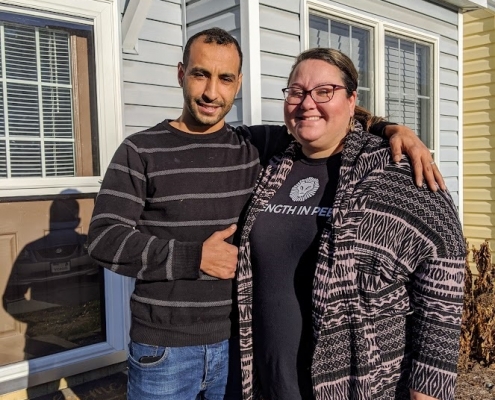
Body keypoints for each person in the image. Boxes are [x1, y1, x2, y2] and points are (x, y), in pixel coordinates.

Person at [87, 27, 444, 400]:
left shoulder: (256, 146)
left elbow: (322, 119)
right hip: (164, 350)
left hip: (239, 348)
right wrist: (193, 258)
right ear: (181, 74)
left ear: (238, 83)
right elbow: (103, 238)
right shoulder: (140, 150)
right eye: (200, 74)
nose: (212, 92)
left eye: (225, 78)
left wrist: (394, 129)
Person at [236, 47, 466, 400]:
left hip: (362, 385)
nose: (307, 103)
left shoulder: (395, 172)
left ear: (351, 99)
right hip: (270, 384)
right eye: (296, 92)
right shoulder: (270, 160)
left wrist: (429, 387)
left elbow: (444, 273)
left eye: (324, 92)